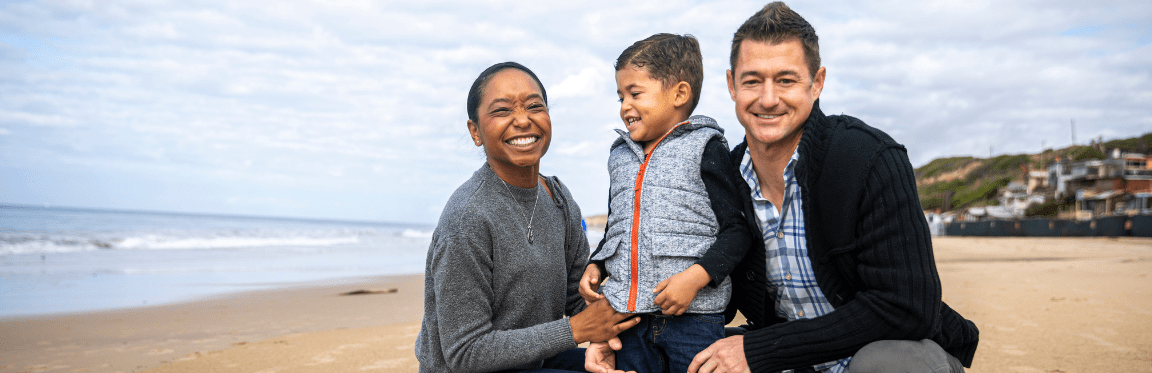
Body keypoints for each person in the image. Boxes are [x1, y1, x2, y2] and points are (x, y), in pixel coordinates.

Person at [685, 3, 980, 372]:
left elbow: (907, 307)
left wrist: (763, 349)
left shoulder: (869, 158)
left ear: (817, 82)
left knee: (884, 365)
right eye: (752, 80)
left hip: (892, 354)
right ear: (731, 85)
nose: (768, 98)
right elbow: (709, 294)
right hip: (792, 358)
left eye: (786, 80)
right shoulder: (724, 178)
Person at [415, 61, 641, 373]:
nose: (523, 120)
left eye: (535, 106)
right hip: (470, 368)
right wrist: (576, 330)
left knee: (644, 361)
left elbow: (580, 299)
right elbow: (465, 352)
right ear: (475, 132)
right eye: (502, 110)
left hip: (534, 359)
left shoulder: (558, 199)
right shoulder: (468, 218)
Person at [579, 34, 751, 373]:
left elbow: (737, 230)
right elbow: (619, 226)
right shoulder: (620, 156)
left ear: (679, 94)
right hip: (628, 320)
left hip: (694, 322)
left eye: (635, 93)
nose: (625, 106)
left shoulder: (706, 148)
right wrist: (596, 263)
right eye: (621, 96)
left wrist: (695, 278)